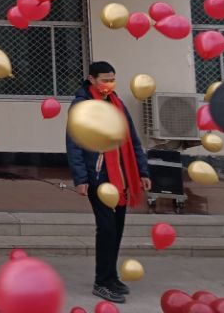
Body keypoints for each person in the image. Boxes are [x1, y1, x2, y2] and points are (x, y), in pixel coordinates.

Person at [66, 61, 151, 305]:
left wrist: (142, 171)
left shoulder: (117, 103)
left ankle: (111, 277)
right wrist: (81, 178)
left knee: (117, 229)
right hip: (99, 177)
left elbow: (132, 138)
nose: (109, 84)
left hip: (121, 177)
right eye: (104, 79)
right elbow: (74, 143)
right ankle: (102, 282)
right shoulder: (81, 105)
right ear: (91, 79)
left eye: (112, 79)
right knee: (106, 229)